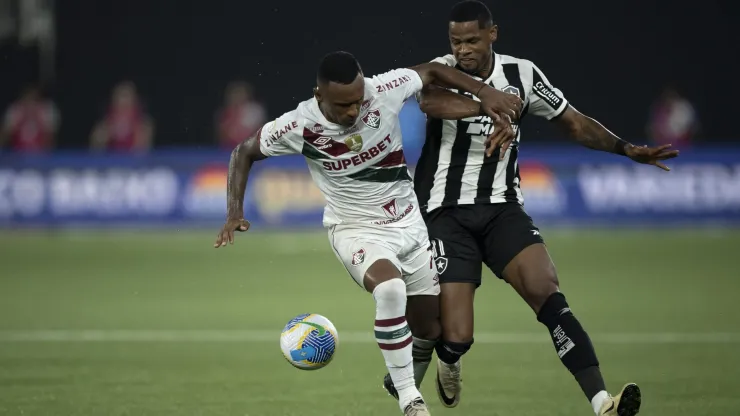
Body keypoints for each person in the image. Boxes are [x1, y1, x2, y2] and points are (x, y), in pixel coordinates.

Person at [382, 2, 679, 416]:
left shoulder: (523, 74)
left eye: (470, 40)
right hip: (444, 214)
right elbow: (431, 103)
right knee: (458, 335)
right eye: (456, 40)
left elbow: (573, 122)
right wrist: (489, 104)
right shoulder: (441, 69)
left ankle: (601, 402)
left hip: (503, 209)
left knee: (547, 291)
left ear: (492, 34)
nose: (463, 49)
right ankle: (448, 357)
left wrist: (625, 148)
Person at [213, 50, 521, 416]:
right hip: (355, 229)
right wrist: (234, 211)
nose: (353, 112)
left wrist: (482, 94)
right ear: (319, 96)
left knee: (429, 328)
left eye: (359, 101)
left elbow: (433, 70)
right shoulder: (299, 125)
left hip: (409, 223)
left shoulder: (384, 89)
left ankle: (415, 372)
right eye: (343, 105)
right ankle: (411, 400)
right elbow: (243, 151)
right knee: (389, 290)